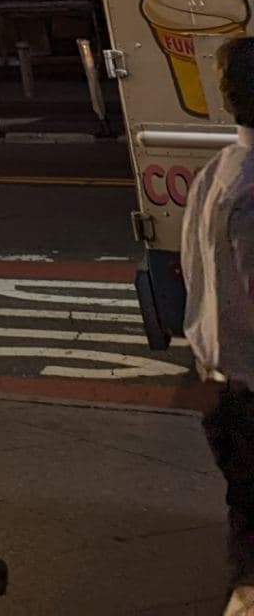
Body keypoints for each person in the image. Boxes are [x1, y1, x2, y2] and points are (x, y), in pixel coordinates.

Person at [180, 33, 254, 613]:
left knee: (247, 512)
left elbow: (195, 278)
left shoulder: (213, 174)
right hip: (252, 384)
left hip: (220, 381)